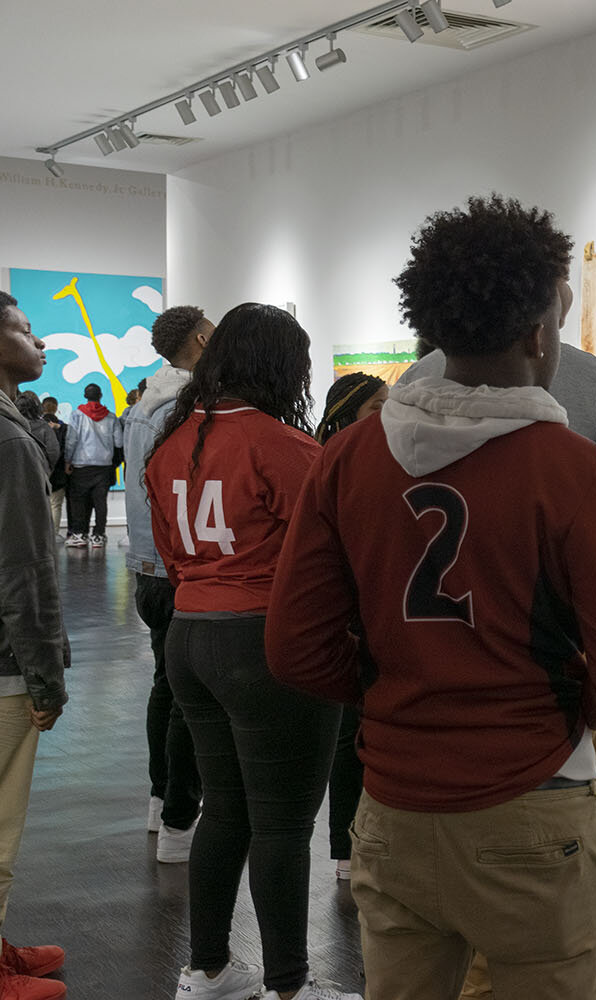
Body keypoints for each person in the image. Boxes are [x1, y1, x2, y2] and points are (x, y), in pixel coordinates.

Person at [265, 194, 596, 1000]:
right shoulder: (574, 472)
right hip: (530, 811)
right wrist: (541, 707)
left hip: (392, 811)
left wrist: (398, 694)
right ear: (538, 332)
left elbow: (295, 648)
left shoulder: (346, 460)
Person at [396, 277, 596, 1000]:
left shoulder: (409, 388)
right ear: (548, 319)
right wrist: (581, 691)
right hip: (548, 695)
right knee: (538, 901)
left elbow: (306, 641)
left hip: (411, 722)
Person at [144, 303, 357, 1000]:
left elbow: (172, 556)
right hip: (267, 645)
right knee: (285, 823)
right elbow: (333, 560)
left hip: (190, 638)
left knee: (227, 808)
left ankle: (206, 970)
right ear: (282, 367)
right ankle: (290, 987)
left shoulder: (174, 441)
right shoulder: (287, 447)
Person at [123, 305, 212, 862]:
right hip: (176, 571)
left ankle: (161, 803)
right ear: (203, 339)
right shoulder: (182, 409)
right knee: (189, 699)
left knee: (168, 686)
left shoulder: (143, 404)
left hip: (148, 570)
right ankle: (180, 823)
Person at [0, 291, 69, 1000]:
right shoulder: (11, 438)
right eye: (23, 329)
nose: (38, 339)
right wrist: (45, 679)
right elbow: (23, 569)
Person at [310, 371, 388, 882]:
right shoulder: (328, 469)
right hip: (346, 619)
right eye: (375, 408)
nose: (387, 416)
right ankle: (346, 849)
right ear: (345, 417)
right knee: (346, 741)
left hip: (372, 616)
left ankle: (359, 845)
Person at [63, 381, 121, 549]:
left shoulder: (77, 415)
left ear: (85, 396)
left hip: (81, 465)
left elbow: (72, 440)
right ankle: (99, 535)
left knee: (78, 501)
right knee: (100, 502)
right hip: (103, 465)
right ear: (100, 396)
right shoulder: (111, 417)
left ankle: (80, 534)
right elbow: (118, 441)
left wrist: (68, 460)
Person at [39, 398, 66, 537]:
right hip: (59, 470)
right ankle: (54, 534)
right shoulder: (62, 426)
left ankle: (41, 533)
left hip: (40, 468)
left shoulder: (36, 425)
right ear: (56, 408)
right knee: (56, 504)